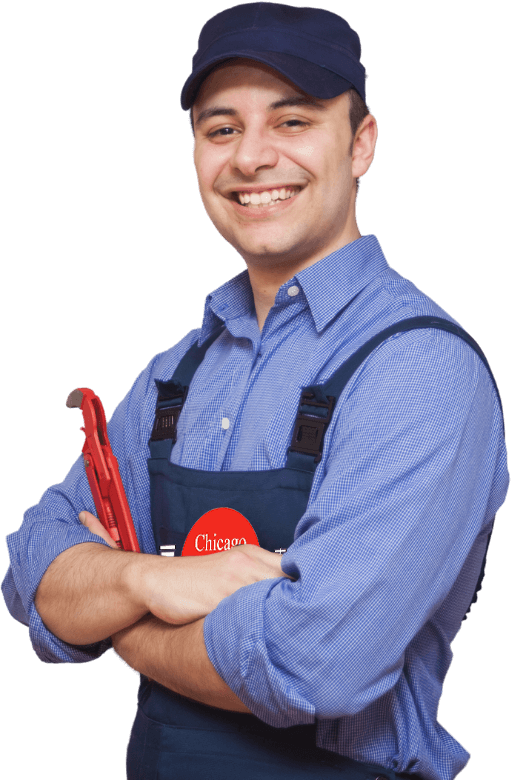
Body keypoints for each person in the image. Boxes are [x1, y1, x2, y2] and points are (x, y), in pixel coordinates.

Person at [2, 4, 509, 779]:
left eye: (293, 121)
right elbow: (34, 571)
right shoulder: (176, 372)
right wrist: (154, 578)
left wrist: (119, 624)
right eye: (222, 129)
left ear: (362, 142)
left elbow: (313, 666)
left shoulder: (420, 371)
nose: (252, 158)